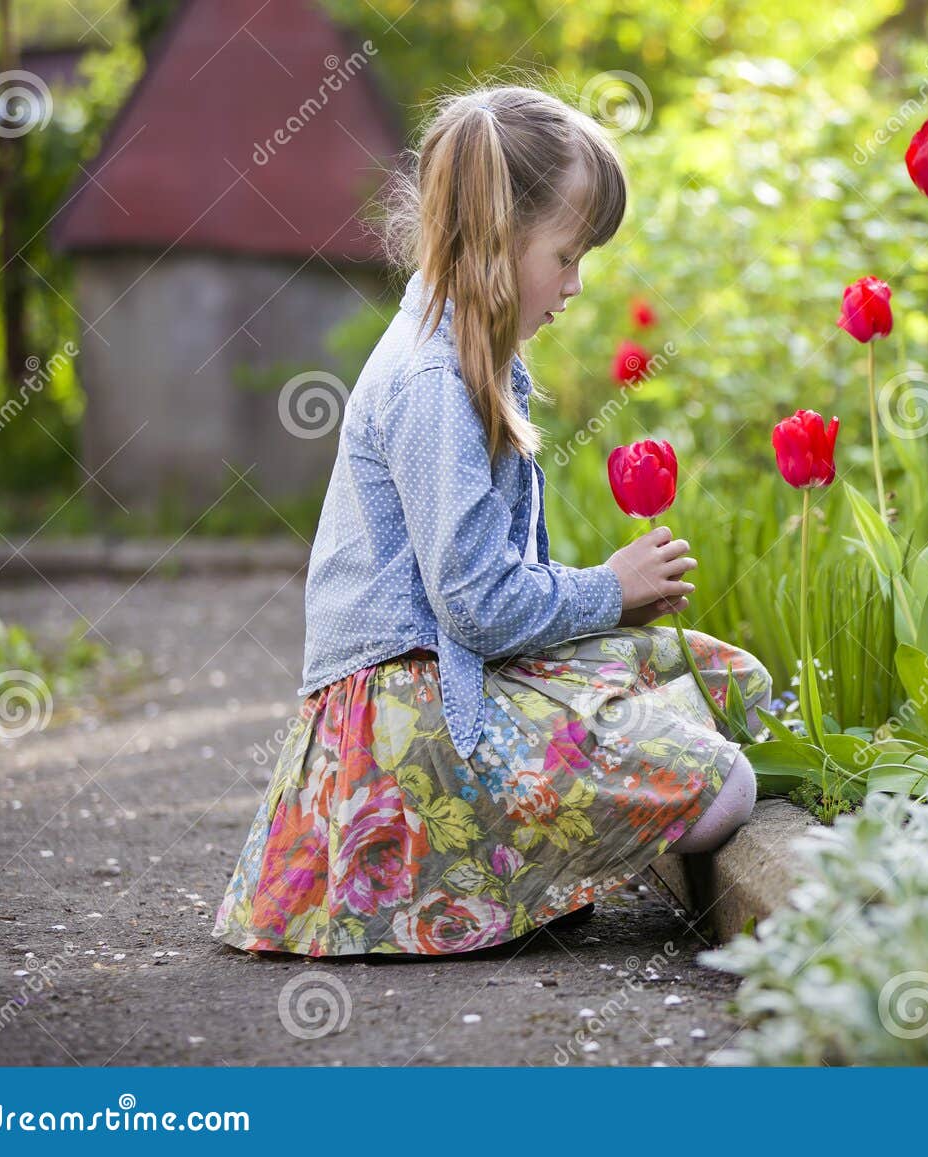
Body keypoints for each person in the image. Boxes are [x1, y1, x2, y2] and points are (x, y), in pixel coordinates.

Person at [212, 83, 771, 958]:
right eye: (568, 255)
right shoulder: (434, 382)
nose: (577, 285)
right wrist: (605, 591)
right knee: (726, 787)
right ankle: (497, 863)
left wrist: (602, 606)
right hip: (413, 725)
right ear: (499, 241)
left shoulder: (463, 351)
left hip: (446, 683)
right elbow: (474, 603)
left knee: (716, 682)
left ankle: (531, 854)